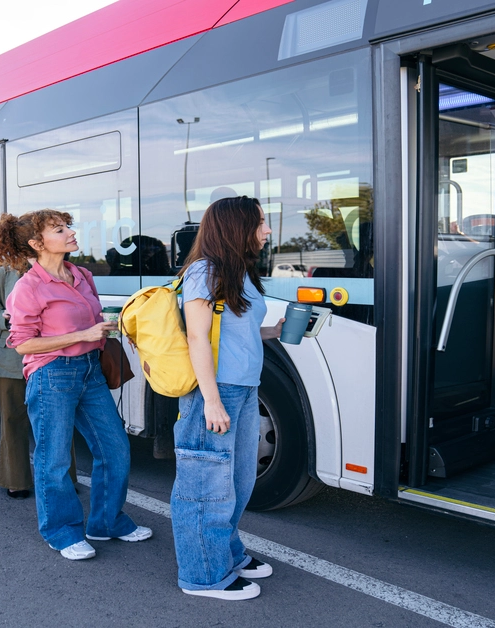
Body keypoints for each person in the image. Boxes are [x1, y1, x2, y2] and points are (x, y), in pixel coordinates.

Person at [0, 209, 151, 560]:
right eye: (59, 229)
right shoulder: (28, 287)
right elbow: (22, 344)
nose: (70, 233)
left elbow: (95, 322)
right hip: (52, 374)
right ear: (37, 244)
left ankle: (106, 523)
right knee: (53, 459)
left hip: (90, 370)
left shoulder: (80, 274)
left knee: (115, 449)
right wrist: (82, 334)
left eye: (68, 227)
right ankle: (61, 531)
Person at [172, 196, 284, 601]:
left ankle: (228, 553)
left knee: (236, 481)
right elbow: (197, 336)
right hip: (215, 391)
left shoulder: (241, 273)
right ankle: (202, 575)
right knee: (206, 484)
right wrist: (211, 400)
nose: (267, 230)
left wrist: (275, 332)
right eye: (260, 223)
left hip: (243, 387)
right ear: (237, 227)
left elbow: (233, 332)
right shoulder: (205, 271)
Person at [0, 261, 79, 499]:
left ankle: (65, 478)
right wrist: (4, 318)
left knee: (60, 422)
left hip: (52, 355)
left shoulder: (59, 269)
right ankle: (16, 480)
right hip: (12, 359)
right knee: (12, 420)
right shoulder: (1, 273)